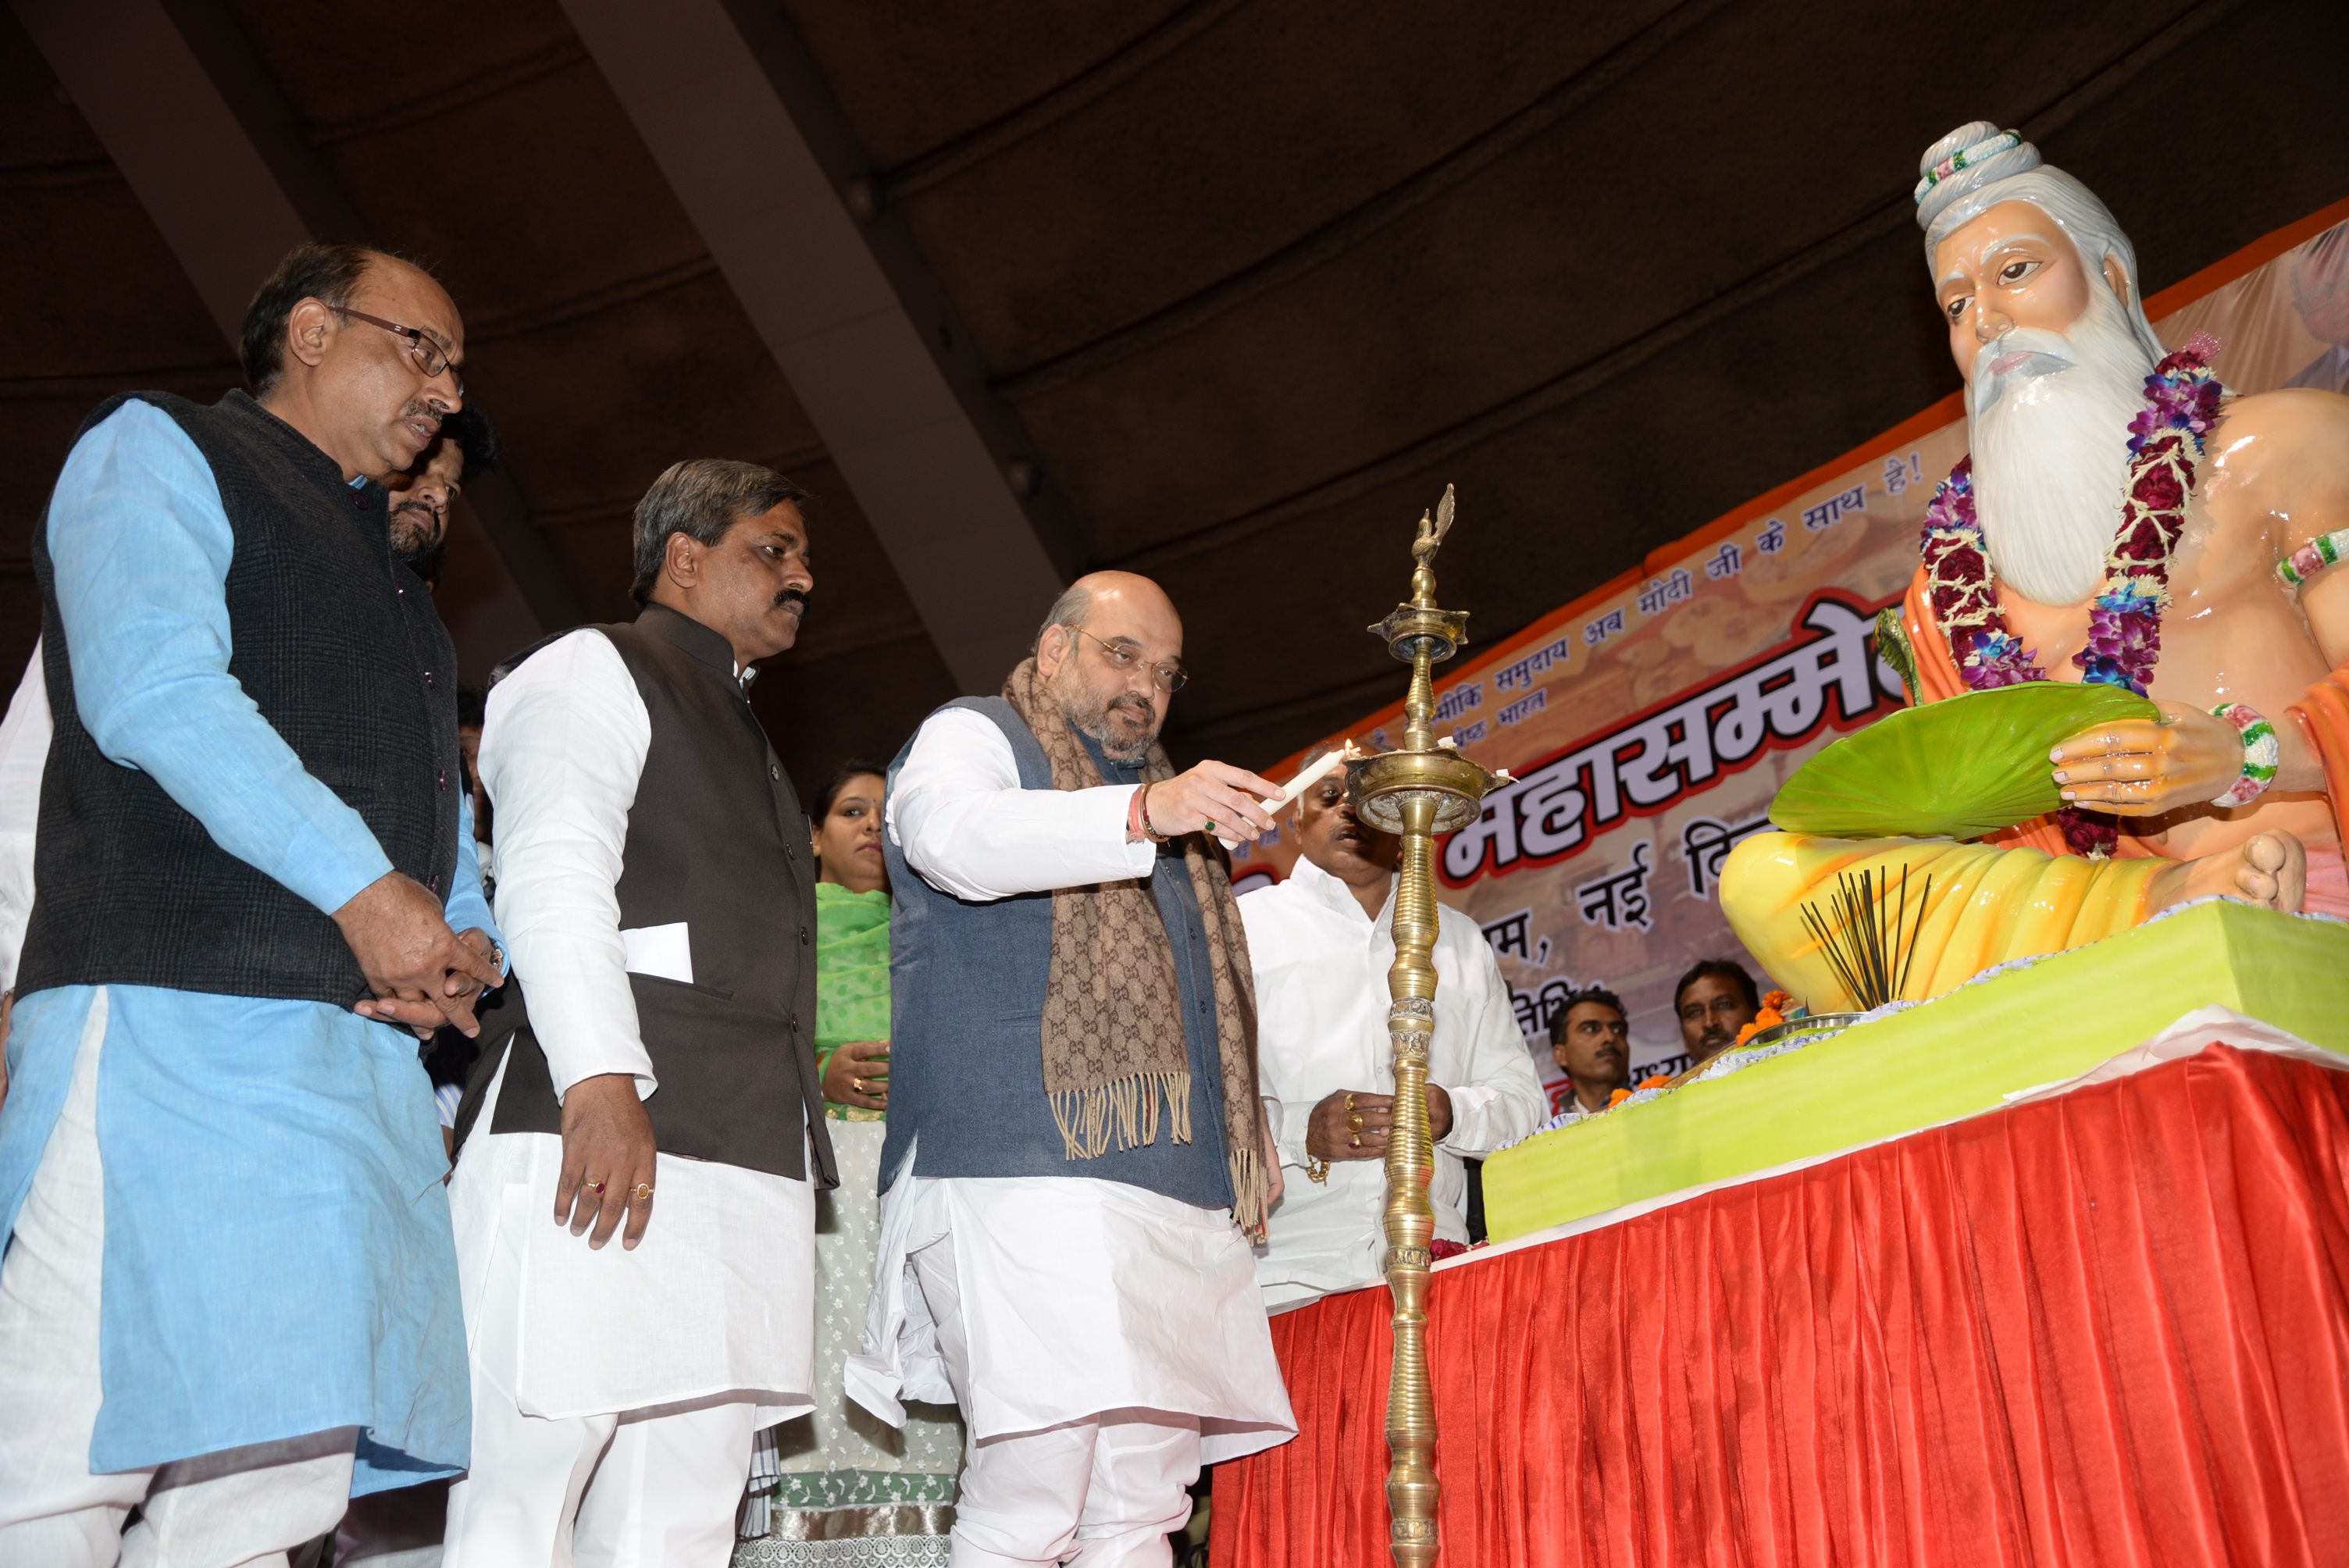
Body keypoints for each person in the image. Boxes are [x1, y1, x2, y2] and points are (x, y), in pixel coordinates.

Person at [0, 241, 504, 1563]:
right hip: (175, 1013)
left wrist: (460, 929)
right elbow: (152, 689)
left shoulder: (403, 584)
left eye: (457, 369)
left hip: (355, 1054)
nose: (446, 391)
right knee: (70, 1452)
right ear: (315, 331)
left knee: (273, 1482)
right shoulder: (155, 447)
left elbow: (427, 816)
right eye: (422, 349)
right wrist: (370, 888)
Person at [1727, 122, 2349, 1000]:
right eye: (1953, 306)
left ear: (2110, 276)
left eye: (2014, 271)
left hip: (2302, 875)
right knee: (1763, 875)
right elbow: (1983, 839)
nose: (1986, 319)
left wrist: (2240, 755)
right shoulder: (1945, 595)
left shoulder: (2281, 444)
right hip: (2098, 921)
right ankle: (2163, 899)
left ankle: (2194, 898)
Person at [848, 570, 1296, 1566]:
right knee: (1031, 1494)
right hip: (1015, 1167)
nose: (1146, 686)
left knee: (1146, 1501)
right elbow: (951, 840)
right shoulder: (972, 735)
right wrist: (1140, 813)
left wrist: (1247, 1126)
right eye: (1121, 653)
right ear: (1054, 651)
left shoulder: (1167, 805)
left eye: (1167, 672)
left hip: (1178, 1185)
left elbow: (1202, 997)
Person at [441, 458, 834, 1566]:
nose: (802, 575)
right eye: (776, 549)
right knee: (524, 1493)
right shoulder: (590, 666)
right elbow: (553, 880)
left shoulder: (744, 722)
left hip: (745, 1155)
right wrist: (602, 1082)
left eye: (805, 559)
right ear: (685, 558)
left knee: (686, 1516)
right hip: (599, 1131)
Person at [734, 761, 963, 1562]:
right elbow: (741, 1044)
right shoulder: (779, 929)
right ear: (813, 835)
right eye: (851, 811)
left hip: (930, 1178)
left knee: (928, 1365)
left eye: (886, 814)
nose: (871, 827)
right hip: (822, 1180)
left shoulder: (943, 926)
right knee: (822, 1365)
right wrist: (817, 1073)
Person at [1240, 741, 1545, 1310]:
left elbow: (1525, 1107)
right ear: (1294, 819)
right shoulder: (1241, 930)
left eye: (1369, 799)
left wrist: (1449, 1113)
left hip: (1439, 1265)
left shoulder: (1457, 940)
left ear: (1406, 820)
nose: (1348, 812)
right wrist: (1301, 1131)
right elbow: (1204, 1105)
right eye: (1329, 797)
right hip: (1284, 1271)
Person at [1549, 985, 1632, 1118]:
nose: (1610, 1037)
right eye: (1591, 1029)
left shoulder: (1659, 1108)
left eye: (1618, 1030)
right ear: (1561, 1054)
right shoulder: (1548, 1134)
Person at [1673, 959, 1759, 1071]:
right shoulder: (1672, 1088)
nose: (1709, 1023)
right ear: (1684, 1039)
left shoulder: (1788, 1069)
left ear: (1758, 1016)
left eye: (1724, 1005)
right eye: (1694, 1013)